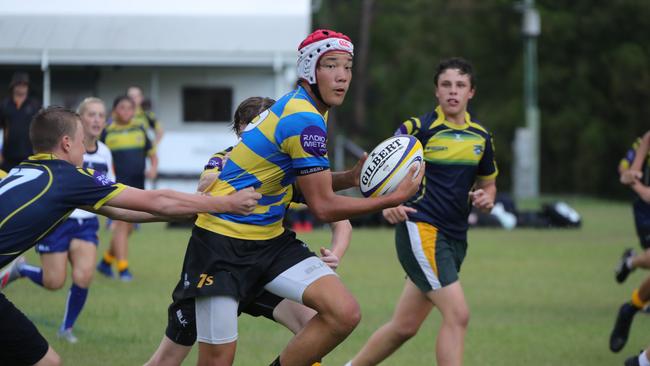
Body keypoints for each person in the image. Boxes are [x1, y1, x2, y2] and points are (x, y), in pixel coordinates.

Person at [167, 29, 423, 366]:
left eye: (347, 66)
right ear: (309, 70)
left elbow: (303, 184)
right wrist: (392, 198)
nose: (342, 76)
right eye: (331, 65)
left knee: (343, 312)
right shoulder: (303, 118)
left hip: (269, 242)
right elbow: (323, 206)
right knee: (216, 361)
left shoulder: (312, 109)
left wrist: (351, 177)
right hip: (221, 244)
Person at [0, 106, 260, 366]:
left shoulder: (23, 171)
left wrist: (191, 211)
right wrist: (227, 203)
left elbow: (121, 210)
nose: (84, 148)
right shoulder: (66, 177)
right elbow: (157, 199)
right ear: (66, 143)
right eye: (81, 142)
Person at [145, 96, 352, 366]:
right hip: (219, 265)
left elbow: (341, 221)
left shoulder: (285, 169)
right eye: (249, 125)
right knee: (168, 358)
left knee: (312, 325)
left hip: (262, 269)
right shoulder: (225, 159)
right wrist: (238, 173)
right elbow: (205, 184)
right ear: (239, 129)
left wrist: (335, 252)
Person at [346, 57, 498, 366]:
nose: (453, 91)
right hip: (421, 229)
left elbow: (489, 184)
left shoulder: (481, 137)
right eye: (446, 85)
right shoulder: (418, 128)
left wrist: (487, 198)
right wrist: (391, 205)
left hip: (455, 238)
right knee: (458, 314)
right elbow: (382, 173)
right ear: (436, 91)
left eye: (460, 85)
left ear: (472, 92)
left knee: (404, 327)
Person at [0, 98, 115, 344]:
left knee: (84, 276)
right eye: (91, 114)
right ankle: (21, 269)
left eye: (101, 115)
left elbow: (112, 187)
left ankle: (66, 327)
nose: (97, 120)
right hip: (59, 220)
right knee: (54, 281)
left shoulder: (105, 152)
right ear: (79, 122)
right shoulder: (57, 160)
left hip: (87, 223)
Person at [96, 95, 158, 281]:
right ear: (115, 110)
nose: (126, 111)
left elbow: (152, 154)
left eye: (129, 108)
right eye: (122, 108)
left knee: (128, 228)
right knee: (122, 226)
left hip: (138, 185)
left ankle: (106, 262)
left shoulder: (139, 129)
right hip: (118, 187)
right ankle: (123, 269)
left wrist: (153, 168)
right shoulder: (107, 132)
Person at [610, 131, 650, 354]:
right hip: (647, 209)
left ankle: (631, 307)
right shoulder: (644, 141)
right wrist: (634, 181)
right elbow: (626, 171)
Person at [0, 71, 41, 171]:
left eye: (24, 84)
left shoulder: (35, 105)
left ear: (28, 87)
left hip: (30, 154)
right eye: (19, 84)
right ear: (13, 86)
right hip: (9, 155)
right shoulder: (4, 105)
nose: (22, 87)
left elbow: (41, 129)